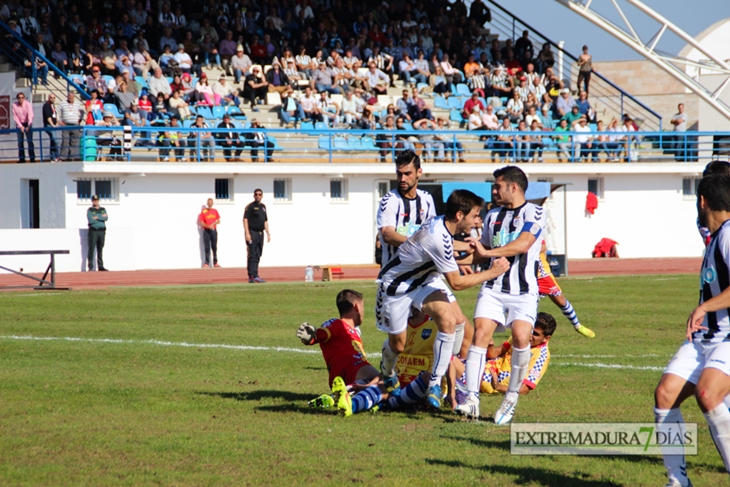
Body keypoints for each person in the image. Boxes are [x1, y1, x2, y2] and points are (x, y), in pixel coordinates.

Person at [376, 189, 510, 410]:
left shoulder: (440, 223)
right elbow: (456, 283)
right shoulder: (438, 237)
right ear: (459, 215)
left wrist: (468, 246)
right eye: (475, 215)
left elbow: (447, 246)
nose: (477, 221)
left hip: (423, 281)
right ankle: (388, 369)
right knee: (398, 345)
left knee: (449, 320)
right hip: (395, 287)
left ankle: (435, 383)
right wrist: (491, 272)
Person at [654, 174, 730, 487]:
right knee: (665, 395)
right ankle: (677, 482)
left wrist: (703, 307)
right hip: (703, 341)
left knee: (708, 394)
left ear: (702, 202)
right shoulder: (716, 236)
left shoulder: (728, 235)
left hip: (727, 337)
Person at [455, 166, 544, 425]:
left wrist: (486, 254)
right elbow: (479, 249)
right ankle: (471, 399)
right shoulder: (493, 215)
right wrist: (454, 258)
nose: (493, 191)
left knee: (520, 337)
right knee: (480, 335)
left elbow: (523, 244)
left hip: (524, 290)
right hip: (493, 287)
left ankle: (511, 397)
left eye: (497, 186)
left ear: (513, 187)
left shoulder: (534, 211)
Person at [452, 312, 555, 407]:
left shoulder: (541, 356)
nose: (530, 336)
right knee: (461, 320)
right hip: (486, 364)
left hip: (489, 378)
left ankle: (452, 390)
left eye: (536, 334)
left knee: (449, 357)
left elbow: (524, 389)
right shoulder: (521, 335)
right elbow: (494, 353)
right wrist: (488, 345)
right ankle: (454, 384)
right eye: (530, 331)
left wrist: (498, 387)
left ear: (546, 338)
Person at [536, 240, 594, 337]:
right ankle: (528, 330)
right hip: (525, 274)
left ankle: (578, 326)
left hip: (542, 274)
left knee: (561, 301)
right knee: (530, 303)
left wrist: (528, 251)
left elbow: (543, 245)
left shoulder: (532, 226)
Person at [243, 189, 270, 283]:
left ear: (262, 195)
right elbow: (245, 220)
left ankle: (255, 274)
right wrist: (247, 233)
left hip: (260, 233)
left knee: (258, 254)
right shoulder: (250, 207)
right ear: (253, 195)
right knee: (252, 254)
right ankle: (251, 276)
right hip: (252, 232)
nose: (258, 196)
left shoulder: (263, 207)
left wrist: (268, 233)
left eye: (259, 194)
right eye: (256, 194)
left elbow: (265, 221)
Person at [59, 92, 84, 161]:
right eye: (69, 96)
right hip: (66, 125)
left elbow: (82, 111)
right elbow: (56, 111)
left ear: (74, 97)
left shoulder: (77, 104)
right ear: (67, 96)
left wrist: (80, 120)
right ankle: (62, 157)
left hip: (75, 125)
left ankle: (71, 157)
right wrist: (59, 121)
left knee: (73, 142)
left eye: (72, 96)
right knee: (65, 141)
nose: (71, 97)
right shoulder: (63, 103)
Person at [87, 195, 108, 271]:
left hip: (101, 231)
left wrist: (97, 217)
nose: (95, 201)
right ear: (92, 201)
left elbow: (106, 217)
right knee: (91, 248)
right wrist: (101, 217)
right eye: (94, 200)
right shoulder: (90, 210)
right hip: (93, 231)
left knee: (100, 248)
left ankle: (100, 266)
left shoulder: (103, 209)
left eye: (97, 200)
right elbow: (91, 220)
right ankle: (91, 266)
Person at [198, 198, 221, 268]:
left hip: (213, 230)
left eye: (211, 202)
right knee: (207, 247)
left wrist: (213, 224)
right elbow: (201, 223)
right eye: (209, 202)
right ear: (207, 203)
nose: (210, 204)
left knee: (214, 247)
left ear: (212, 203)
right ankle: (206, 263)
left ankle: (215, 262)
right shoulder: (203, 212)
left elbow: (218, 221)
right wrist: (208, 226)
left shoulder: (215, 211)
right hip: (206, 231)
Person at [13, 92, 35, 163]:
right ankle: (22, 159)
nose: (21, 99)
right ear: (17, 98)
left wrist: (28, 125)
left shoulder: (28, 104)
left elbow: (30, 115)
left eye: (22, 97)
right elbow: (15, 117)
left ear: (24, 98)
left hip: (27, 123)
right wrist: (20, 126)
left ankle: (32, 159)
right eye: (19, 98)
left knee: (30, 141)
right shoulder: (14, 105)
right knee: (20, 142)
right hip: (19, 124)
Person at [42, 93, 60, 162]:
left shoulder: (53, 105)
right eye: (51, 97)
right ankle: (57, 156)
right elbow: (48, 117)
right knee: (55, 141)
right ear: (48, 98)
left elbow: (55, 115)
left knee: (53, 141)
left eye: (53, 97)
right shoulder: (46, 105)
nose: (52, 99)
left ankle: (53, 157)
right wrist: (53, 125)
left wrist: (57, 123)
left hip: (53, 125)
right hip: (49, 126)